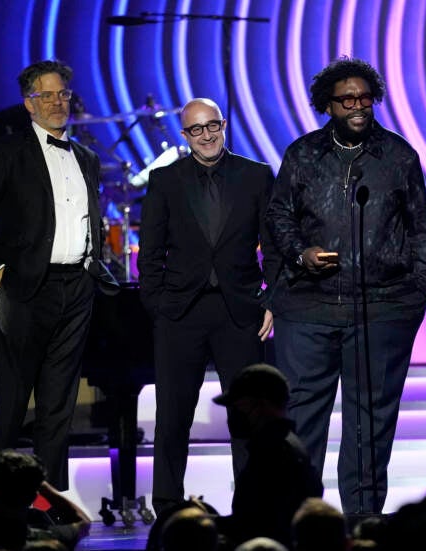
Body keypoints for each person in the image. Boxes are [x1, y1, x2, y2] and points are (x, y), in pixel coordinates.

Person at [265, 57, 426, 514]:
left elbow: (421, 227)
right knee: (301, 423)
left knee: (370, 423)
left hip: (383, 308)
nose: (358, 106)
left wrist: (421, 292)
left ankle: (364, 522)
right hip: (308, 306)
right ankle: (303, 517)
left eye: (365, 98)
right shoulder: (303, 154)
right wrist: (301, 252)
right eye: (347, 99)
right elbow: (279, 215)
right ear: (328, 105)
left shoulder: (399, 156)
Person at [0, 59, 118, 490]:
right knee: (10, 399)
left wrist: (92, 266)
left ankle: (48, 500)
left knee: (58, 403)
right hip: (25, 288)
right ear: (29, 104)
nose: (55, 102)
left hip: (77, 288)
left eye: (61, 93)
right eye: (45, 95)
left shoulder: (86, 157)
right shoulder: (9, 152)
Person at [137, 98, 280, 514]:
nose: (206, 135)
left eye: (212, 125)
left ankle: (252, 506)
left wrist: (271, 297)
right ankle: (166, 504)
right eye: (196, 129)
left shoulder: (256, 176)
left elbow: (272, 245)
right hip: (180, 312)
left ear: (223, 125)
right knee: (173, 414)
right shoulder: (165, 180)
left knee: (250, 416)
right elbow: (151, 251)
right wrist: (158, 306)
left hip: (240, 311)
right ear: (184, 136)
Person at [212, 363, 324, 547]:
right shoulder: (279, 445)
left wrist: (207, 521)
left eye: (238, 405)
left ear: (261, 403)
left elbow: (257, 524)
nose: (233, 414)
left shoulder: (274, 453)